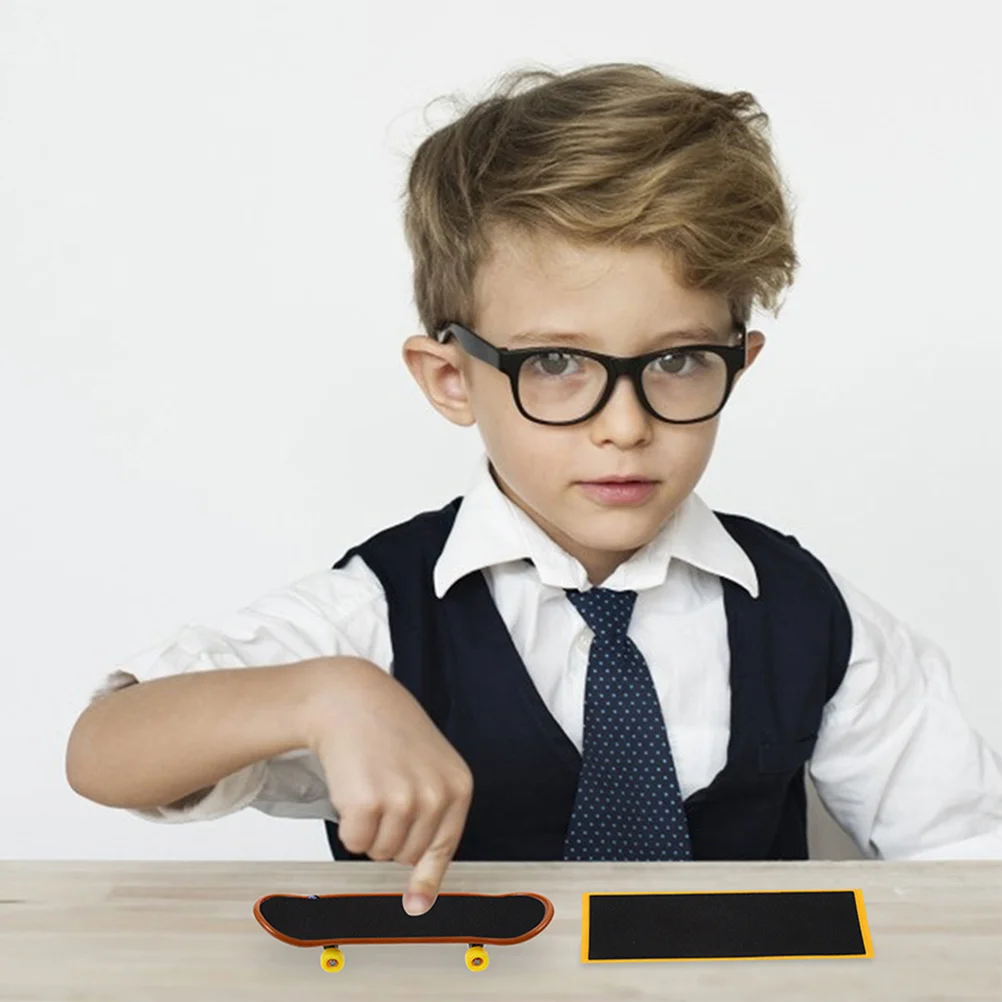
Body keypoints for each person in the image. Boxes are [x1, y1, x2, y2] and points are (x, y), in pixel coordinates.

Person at [66, 62, 1002, 918]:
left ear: (739, 364)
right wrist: (325, 695)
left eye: (676, 361)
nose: (624, 425)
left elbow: (968, 862)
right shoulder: (382, 616)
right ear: (449, 379)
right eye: (556, 362)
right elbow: (107, 751)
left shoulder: (815, 617)